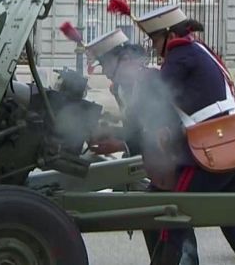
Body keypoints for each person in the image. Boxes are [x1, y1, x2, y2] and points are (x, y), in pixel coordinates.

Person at [126, 3, 235, 265]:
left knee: (172, 214)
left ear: (169, 35)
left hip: (208, 154)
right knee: (233, 223)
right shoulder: (199, 49)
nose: (155, 48)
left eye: (155, 40)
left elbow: (158, 96)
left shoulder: (179, 54)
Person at [82, 28, 200, 265]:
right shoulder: (122, 88)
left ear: (125, 60)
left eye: (106, 65)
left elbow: (163, 127)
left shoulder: (154, 82)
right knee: (151, 220)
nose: (104, 72)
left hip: (176, 163)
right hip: (154, 167)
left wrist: (120, 142)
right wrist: (108, 132)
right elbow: (134, 129)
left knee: (176, 226)